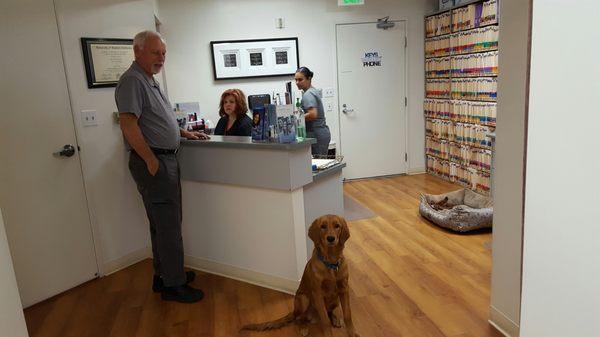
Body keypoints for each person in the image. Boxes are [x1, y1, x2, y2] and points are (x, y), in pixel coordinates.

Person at [115, 30, 208, 303]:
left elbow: (159, 120)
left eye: (164, 53)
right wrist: (151, 159)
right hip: (154, 161)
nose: (161, 58)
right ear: (138, 51)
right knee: (167, 225)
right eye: (156, 52)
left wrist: (184, 133)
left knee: (163, 224)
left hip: (164, 157)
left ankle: (164, 275)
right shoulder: (132, 81)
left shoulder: (149, 80)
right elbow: (128, 124)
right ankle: (173, 286)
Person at [294, 67, 331, 156]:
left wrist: (296, 118)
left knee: (318, 166)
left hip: (316, 134)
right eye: (296, 80)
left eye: (300, 80)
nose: (297, 83)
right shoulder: (313, 91)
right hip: (321, 133)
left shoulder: (308, 94)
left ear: (309, 78)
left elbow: (313, 114)